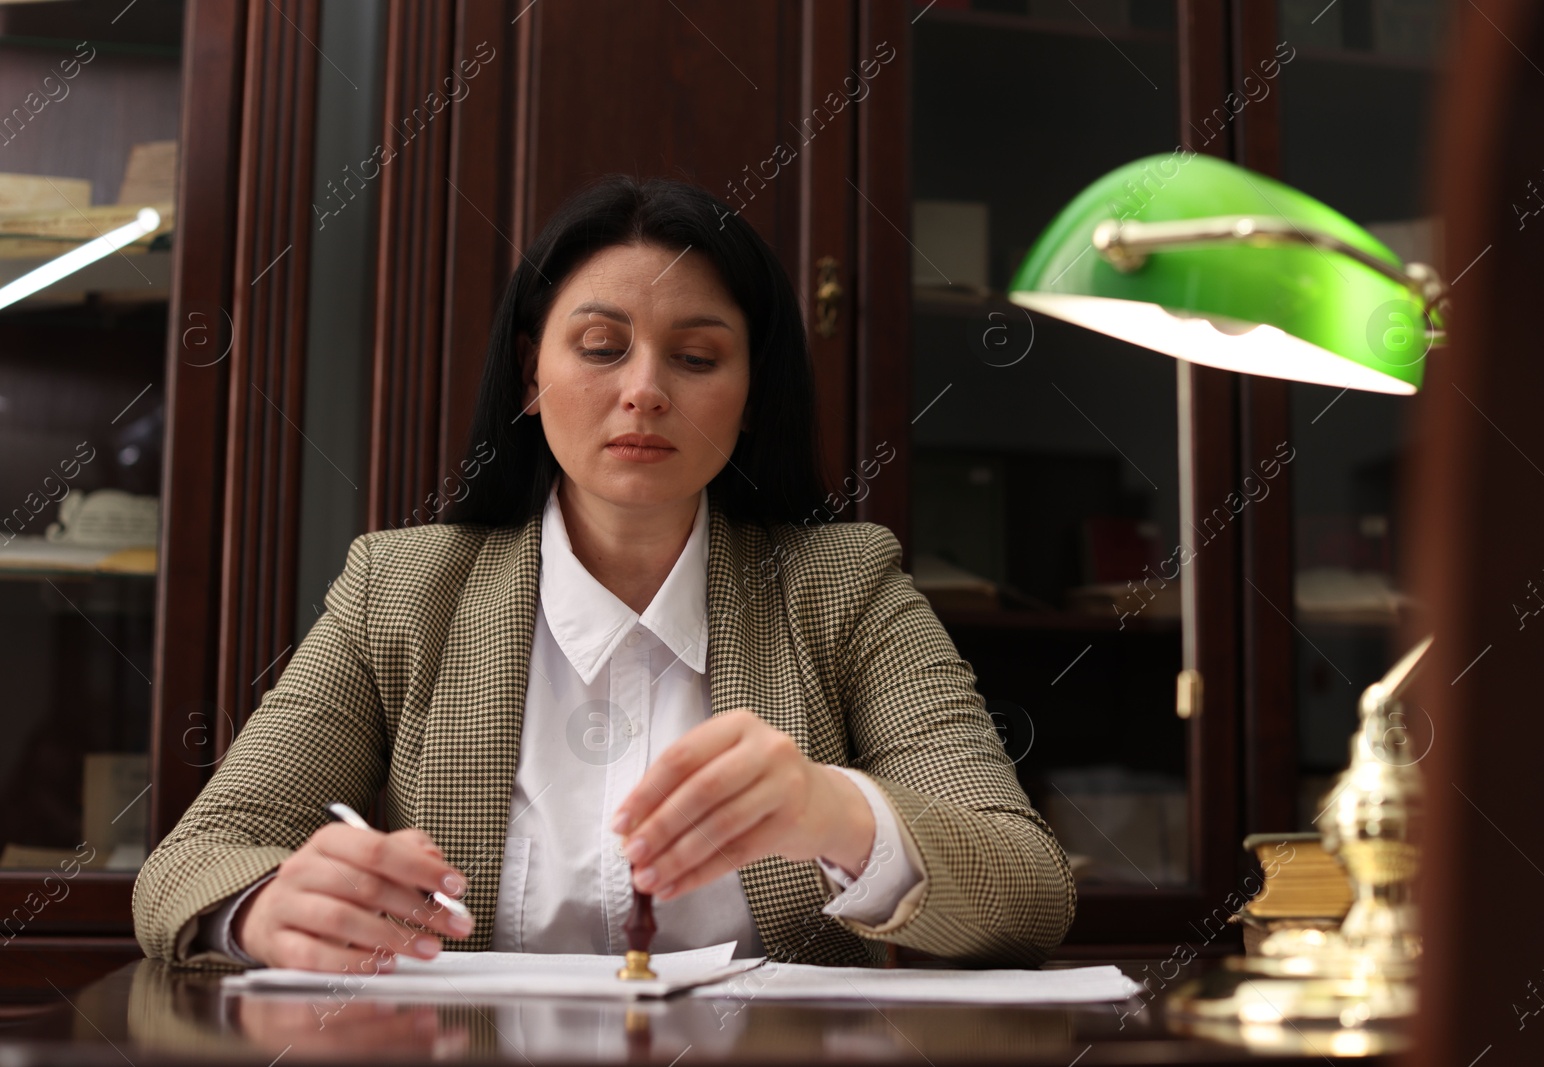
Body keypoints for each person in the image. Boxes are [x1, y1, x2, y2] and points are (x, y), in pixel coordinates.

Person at [132, 175, 1074, 973]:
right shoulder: (404, 589)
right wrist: (261, 909)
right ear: (531, 374)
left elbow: (1027, 887)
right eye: (599, 346)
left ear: (751, 399)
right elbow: (188, 865)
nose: (645, 389)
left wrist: (834, 812)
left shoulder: (845, 586)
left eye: (698, 356)